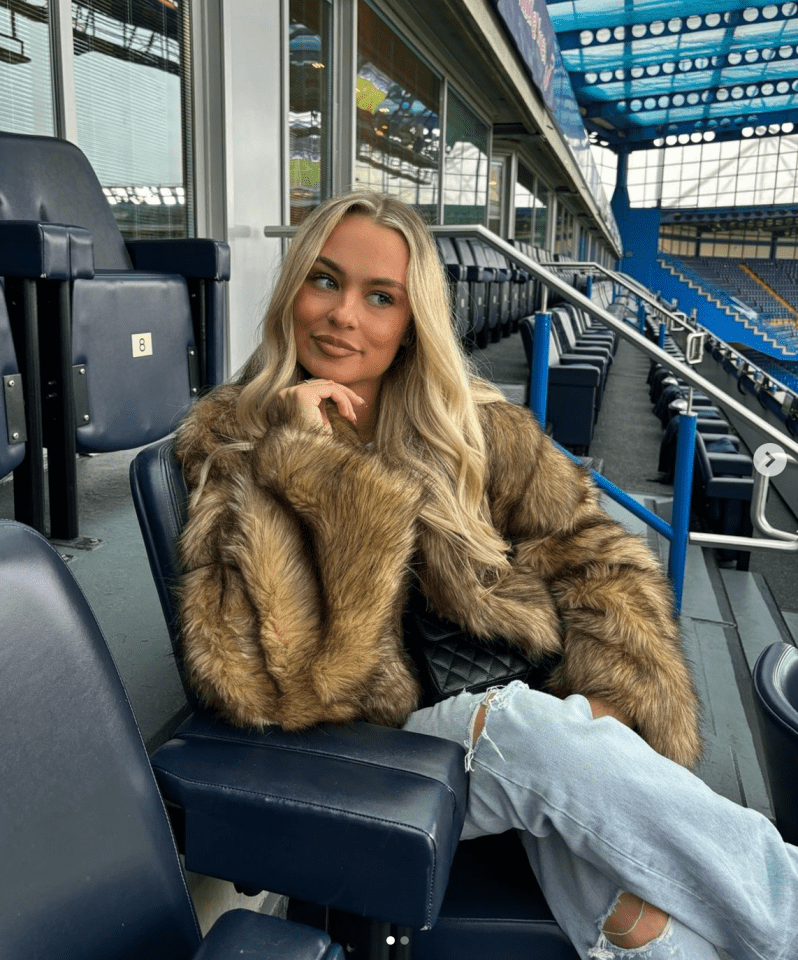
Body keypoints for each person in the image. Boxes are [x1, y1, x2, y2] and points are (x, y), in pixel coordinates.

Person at [176, 190, 797, 960]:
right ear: (292, 288)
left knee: (634, 918)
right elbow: (267, 685)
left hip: (519, 722)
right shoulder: (233, 447)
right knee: (530, 730)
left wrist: (609, 689)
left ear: (411, 326)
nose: (344, 316)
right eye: (326, 281)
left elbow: (588, 548)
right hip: (372, 750)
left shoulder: (469, 428)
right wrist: (311, 470)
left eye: (381, 298)